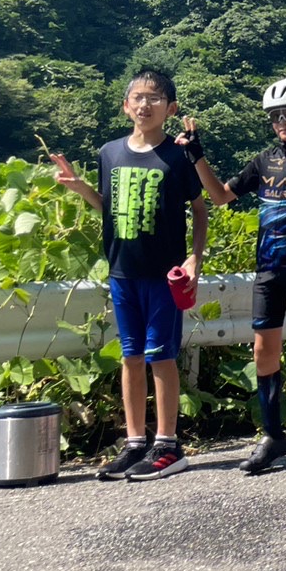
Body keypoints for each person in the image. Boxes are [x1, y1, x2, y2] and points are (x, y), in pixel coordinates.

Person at [181, 78, 286, 476]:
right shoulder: (263, 161)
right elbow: (221, 196)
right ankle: (274, 435)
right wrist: (197, 158)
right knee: (263, 350)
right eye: (276, 116)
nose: (283, 122)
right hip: (268, 268)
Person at [51, 69, 208, 481]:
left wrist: (194, 259)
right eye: (137, 97)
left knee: (162, 357)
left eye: (154, 98)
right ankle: (136, 442)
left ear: (170, 109)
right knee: (131, 356)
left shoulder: (177, 156)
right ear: (125, 106)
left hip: (164, 275)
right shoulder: (109, 153)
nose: (144, 104)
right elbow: (110, 205)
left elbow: (200, 208)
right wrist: (80, 187)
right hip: (122, 272)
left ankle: (168, 445)